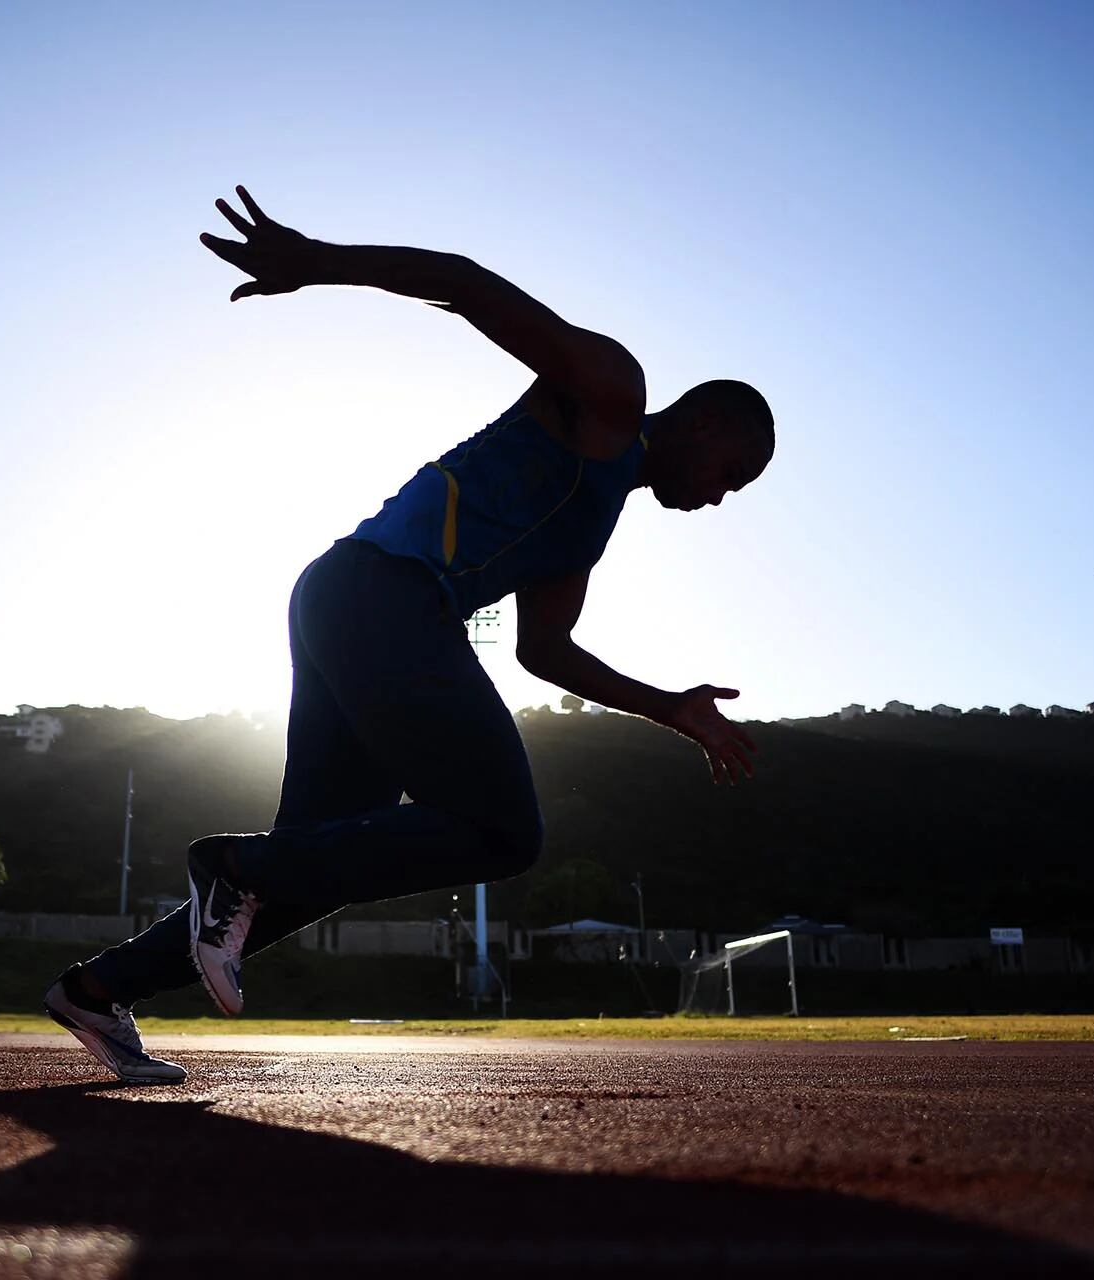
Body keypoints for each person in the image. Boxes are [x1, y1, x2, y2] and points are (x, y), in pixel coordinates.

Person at [44, 186, 774, 1083]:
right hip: (383, 598)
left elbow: (547, 652)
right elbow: (464, 284)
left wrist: (673, 708)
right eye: (731, 473)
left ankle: (96, 988)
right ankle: (225, 864)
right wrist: (316, 263)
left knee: (308, 868)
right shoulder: (614, 392)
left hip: (345, 603)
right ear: (704, 423)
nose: (720, 497)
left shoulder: (587, 524)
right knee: (504, 832)